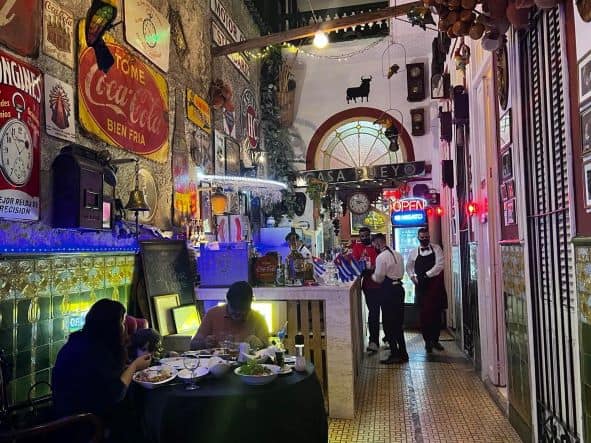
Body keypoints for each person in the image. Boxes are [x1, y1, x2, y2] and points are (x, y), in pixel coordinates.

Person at [52, 299, 151, 441]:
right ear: (111, 327)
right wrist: (135, 366)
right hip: (82, 425)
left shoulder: (84, 341)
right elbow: (115, 394)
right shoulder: (92, 352)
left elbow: (102, 379)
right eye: (122, 322)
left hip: (74, 416)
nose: (125, 327)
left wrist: (127, 367)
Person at [190, 281, 269, 350]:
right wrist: (204, 343)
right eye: (234, 308)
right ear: (227, 301)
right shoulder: (213, 314)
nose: (238, 312)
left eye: (242, 309)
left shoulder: (258, 319)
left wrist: (260, 344)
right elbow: (192, 345)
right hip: (215, 364)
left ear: (250, 304)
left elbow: (270, 351)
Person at [405, 227, 447, 353]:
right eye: (422, 237)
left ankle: (435, 340)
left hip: (435, 285)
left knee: (436, 314)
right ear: (418, 238)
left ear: (429, 237)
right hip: (421, 287)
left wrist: (426, 275)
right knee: (424, 315)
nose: (424, 239)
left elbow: (440, 265)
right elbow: (408, 267)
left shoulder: (437, 249)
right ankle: (427, 341)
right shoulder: (414, 252)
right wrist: (413, 278)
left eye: (426, 237)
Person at [371, 233, 407, 364]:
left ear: (378, 243)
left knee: (388, 323)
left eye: (374, 243)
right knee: (398, 323)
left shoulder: (381, 257)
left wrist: (372, 276)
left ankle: (395, 353)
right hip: (399, 289)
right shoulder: (398, 254)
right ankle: (403, 352)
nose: (373, 246)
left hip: (389, 291)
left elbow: (379, 277)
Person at [351, 227, 381, 353]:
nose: (363, 238)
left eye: (366, 235)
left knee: (385, 313)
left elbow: (381, 263)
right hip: (369, 286)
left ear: (370, 235)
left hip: (383, 284)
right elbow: (355, 265)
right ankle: (373, 341)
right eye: (361, 236)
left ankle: (389, 337)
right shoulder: (357, 248)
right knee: (373, 312)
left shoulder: (376, 247)